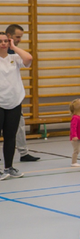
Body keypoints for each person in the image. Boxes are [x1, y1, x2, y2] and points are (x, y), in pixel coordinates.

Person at [0, 31, 32, 181]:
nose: (3, 43)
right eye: (0, 41)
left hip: (14, 103)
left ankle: (9, 167)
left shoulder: (15, 58)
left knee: (10, 137)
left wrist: (14, 47)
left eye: (5, 41)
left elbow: (29, 58)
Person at [6, 25, 39, 162]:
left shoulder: (15, 53)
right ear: (9, 36)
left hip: (13, 97)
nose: (19, 40)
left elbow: (28, 59)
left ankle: (23, 152)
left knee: (19, 125)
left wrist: (14, 47)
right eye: (17, 37)